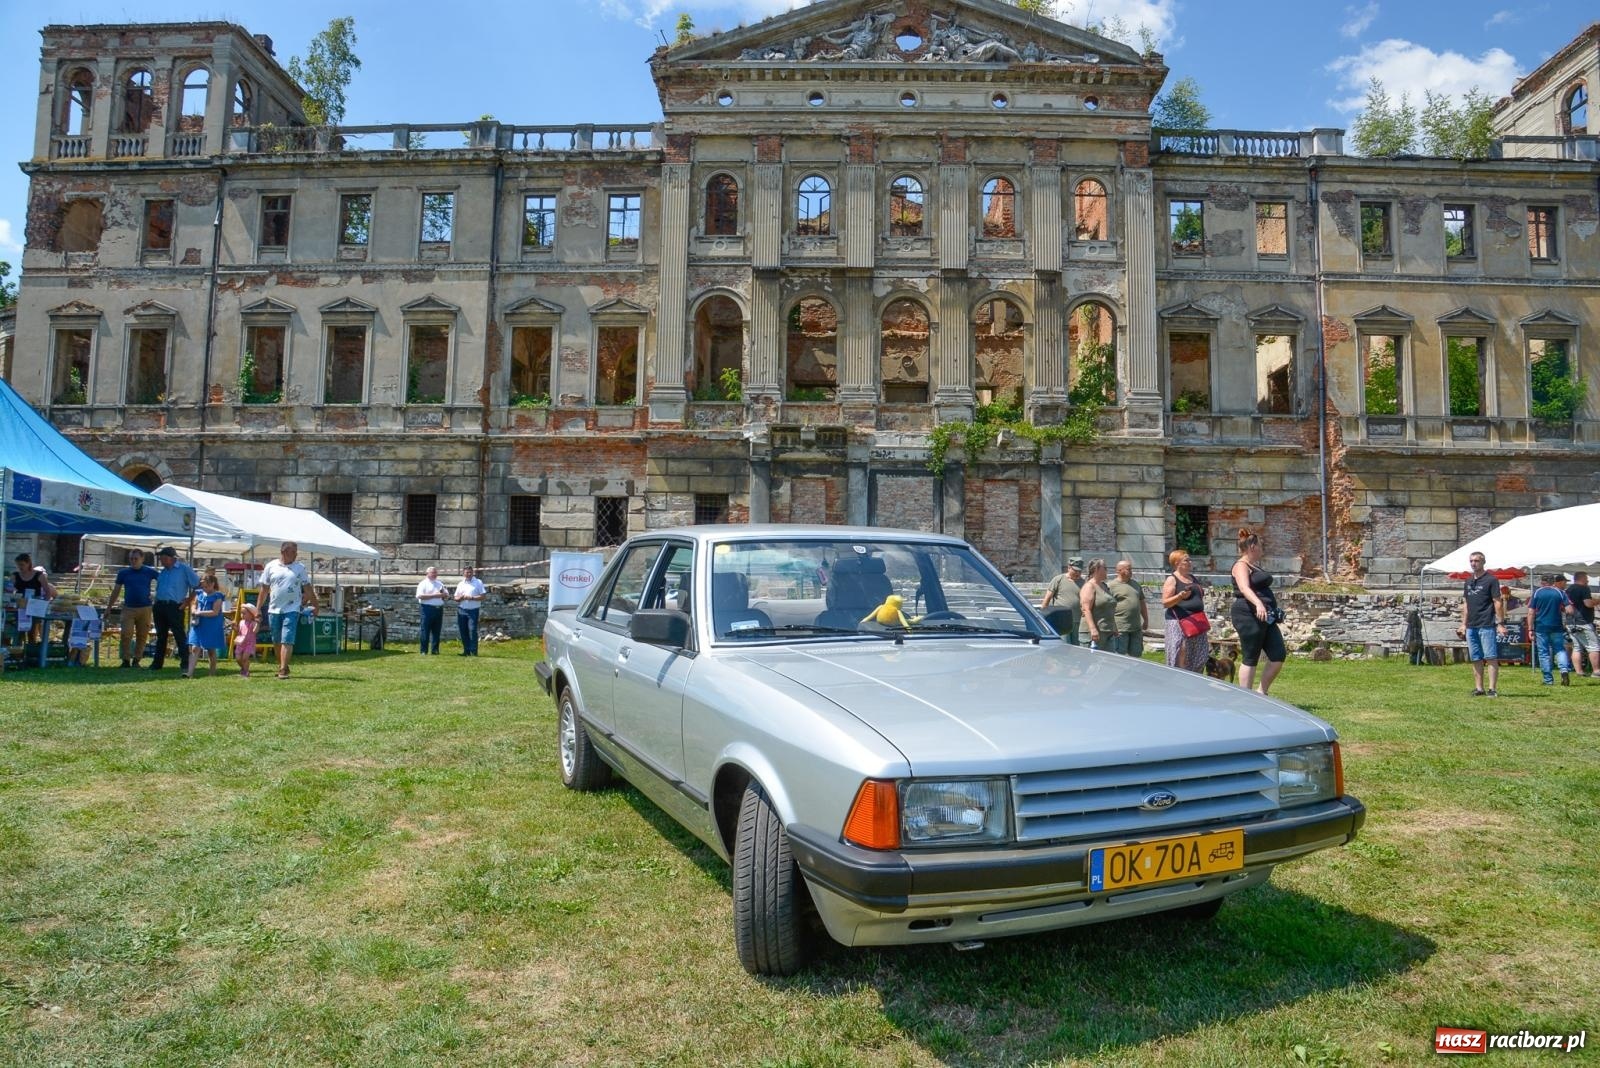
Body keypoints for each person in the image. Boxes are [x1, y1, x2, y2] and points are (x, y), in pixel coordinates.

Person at [1230, 528, 1286, 695]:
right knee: (1251, 655)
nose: (1262, 549)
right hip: (1248, 614)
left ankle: (1261, 693)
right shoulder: (1240, 565)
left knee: (1278, 654)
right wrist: (1259, 604)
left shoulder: (1254, 566)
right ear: (1252, 547)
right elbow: (1244, 588)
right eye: (1260, 545)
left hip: (1266, 616)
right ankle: (1245, 696)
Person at [258, 541, 314, 680]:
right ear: (284, 552)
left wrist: (315, 605)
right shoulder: (271, 566)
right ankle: (282, 664)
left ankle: (283, 669)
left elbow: (308, 588)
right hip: (274, 609)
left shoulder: (300, 568)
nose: (295, 555)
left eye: (296, 552)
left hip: (292, 609)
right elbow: (264, 590)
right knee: (276, 640)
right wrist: (258, 608)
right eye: (293, 552)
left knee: (287, 639)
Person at [1456, 551, 1507, 697]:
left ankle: (1492, 689)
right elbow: (1466, 604)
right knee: (1476, 658)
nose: (1473, 563)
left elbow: (1497, 602)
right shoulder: (1468, 581)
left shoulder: (1491, 580)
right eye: (1471, 561)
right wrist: (1463, 624)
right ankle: (1479, 688)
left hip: (1487, 624)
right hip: (1471, 626)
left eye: (1476, 561)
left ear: (1483, 562)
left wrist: (1500, 623)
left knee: (1490, 657)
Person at [149, 545, 200, 671]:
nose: (161, 560)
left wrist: (187, 602)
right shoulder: (164, 572)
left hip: (175, 606)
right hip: (160, 605)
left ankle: (185, 662)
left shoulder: (184, 569)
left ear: (171, 558)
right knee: (161, 636)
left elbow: (198, 586)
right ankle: (157, 664)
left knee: (179, 635)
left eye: (163, 558)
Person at [107, 548, 158, 668]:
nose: (133, 561)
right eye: (131, 559)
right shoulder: (123, 573)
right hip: (128, 608)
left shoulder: (149, 571)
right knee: (126, 633)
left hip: (145, 608)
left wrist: (156, 594)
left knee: (142, 635)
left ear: (142, 559)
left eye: (136, 559)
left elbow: (163, 581)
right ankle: (125, 660)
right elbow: (116, 590)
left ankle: (137, 660)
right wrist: (109, 607)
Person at [1161, 549, 1210, 673]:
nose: (1190, 562)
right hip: (1179, 624)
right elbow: (1165, 602)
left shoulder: (1193, 578)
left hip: (1197, 623)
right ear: (1177, 563)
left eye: (1189, 559)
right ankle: (1178, 683)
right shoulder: (1172, 579)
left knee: (1200, 657)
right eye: (1186, 560)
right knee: (1180, 656)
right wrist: (1179, 597)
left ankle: (1194, 683)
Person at [1529, 573, 1573, 686]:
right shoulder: (1560, 592)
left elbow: (1531, 612)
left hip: (1541, 626)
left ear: (1542, 582)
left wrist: (1530, 629)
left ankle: (1548, 680)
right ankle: (1564, 670)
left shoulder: (1537, 593)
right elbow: (1570, 610)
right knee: (1560, 649)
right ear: (1553, 582)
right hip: (1557, 626)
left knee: (1544, 653)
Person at [183, 573, 227, 678]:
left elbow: (215, 612)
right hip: (198, 624)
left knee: (211, 650)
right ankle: (189, 673)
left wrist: (199, 613)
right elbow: (194, 605)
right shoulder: (199, 594)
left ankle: (212, 673)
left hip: (212, 625)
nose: (204, 588)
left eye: (206, 586)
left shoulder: (218, 596)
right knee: (194, 648)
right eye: (203, 586)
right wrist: (194, 610)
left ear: (212, 584)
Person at [1105, 560, 1149, 658]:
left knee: (1136, 656)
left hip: (1136, 628)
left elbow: (1141, 602)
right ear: (1119, 570)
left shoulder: (1135, 584)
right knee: (1119, 657)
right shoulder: (1110, 586)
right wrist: (1112, 626)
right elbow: (1106, 607)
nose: (1131, 571)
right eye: (1129, 569)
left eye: (1131, 569)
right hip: (1120, 628)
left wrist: (1146, 620)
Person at [12, 553, 58, 643]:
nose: (20, 567)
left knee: (32, 633)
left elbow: (48, 591)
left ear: (28, 563)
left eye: (22, 565)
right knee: (19, 633)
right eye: (18, 565)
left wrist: (44, 605)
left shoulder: (39, 575)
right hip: (20, 606)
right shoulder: (15, 575)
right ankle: (17, 654)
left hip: (34, 606)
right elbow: (10, 589)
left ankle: (31, 653)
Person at [1040, 556, 1084, 644]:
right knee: (1063, 647)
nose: (1077, 573)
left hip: (1077, 621)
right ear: (1069, 567)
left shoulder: (1083, 582)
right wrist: (1043, 617)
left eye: (1079, 571)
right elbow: (1047, 599)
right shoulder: (1058, 579)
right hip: (1061, 621)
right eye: (1075, 570)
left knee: (1077, 648)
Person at [1078, 559, 1117, 651]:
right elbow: (1086, 609)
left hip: (1108, 631)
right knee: (1091, 663)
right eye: (1105, 568)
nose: (1107, 571)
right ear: (1096, 569)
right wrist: (1093, 629)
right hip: (1093, 633)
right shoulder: (1089, 586)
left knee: (1108, 662)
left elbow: (1109, 608)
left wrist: (1114, 626)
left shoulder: (1104, 586)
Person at [1567, 570, 1598, 678]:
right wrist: (1597, 601)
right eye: (1586, 578)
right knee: (1594, 647)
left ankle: (1579, 672)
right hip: (1583, 622)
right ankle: (1597, 671)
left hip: (1571, 621)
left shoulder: (1569, 589)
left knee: (1577, 647)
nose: (1588, 580)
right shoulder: (1584, 588)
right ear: (1582, 578)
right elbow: (1588, 603)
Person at [454, 565, 486, 656]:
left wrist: (471, 597)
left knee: (472, 630)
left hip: (473, 610)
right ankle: (466, 651)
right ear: (463, 573)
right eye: (466, 572)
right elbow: (455, 597)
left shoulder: (478, 582)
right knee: (463, 631)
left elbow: (483, 596)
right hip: (462, 610)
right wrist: (460, 597)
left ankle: (473, 652)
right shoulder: (461, 584)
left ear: (473, 573)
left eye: (470, 572)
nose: (468, 574)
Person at [415, 566, 447, 655]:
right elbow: (419, 596)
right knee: (425, 630)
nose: (434, 574)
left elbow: (446, 594)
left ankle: (435, 650)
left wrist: (443, 595)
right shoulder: (423, 584)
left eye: (435, 572)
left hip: (438, 609)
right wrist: (434, 595)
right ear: (427, 574)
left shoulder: (440, 583)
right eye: (432, 573)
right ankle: (423, 650)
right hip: (427, 609)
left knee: (437, 630)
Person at [235, 602, 260, 678]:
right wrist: (234, 627)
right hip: (241, 642)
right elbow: (239, 631)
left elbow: (255, 631)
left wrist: (258, 622)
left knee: (245, 658)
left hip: (249, 643)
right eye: (241, 613)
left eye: (244, 613)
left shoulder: (253, 623)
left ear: (251, 614)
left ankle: (246, 671)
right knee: (238, 658)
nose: (242, 615)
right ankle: (243, 668)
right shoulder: (241, 622)